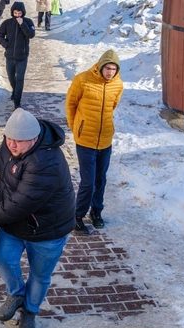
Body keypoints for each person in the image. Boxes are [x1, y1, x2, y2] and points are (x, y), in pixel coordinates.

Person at [0, 108, 75, 328]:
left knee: (39, 276)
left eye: (19, 141)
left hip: (47, 229)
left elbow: (21, 203)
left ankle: (30, 311)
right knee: (3, 259)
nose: (12, 145)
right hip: (16, 222)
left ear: (35, 138)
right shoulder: (11, 146)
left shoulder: (46, 163)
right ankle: (17, 293)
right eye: (9, 139)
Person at [65, 49, 124, 235]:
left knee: (101, 179)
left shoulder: (118, 85)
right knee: (88, 182)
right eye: (107, 68)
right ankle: (77, 216)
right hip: (86, 141)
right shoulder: (82, 80)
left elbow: (113, 106)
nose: (110, 72)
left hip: (105, 140)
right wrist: (77, 129)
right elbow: (70, 105)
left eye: (114, 69)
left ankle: (96, 211)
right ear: (100, 66)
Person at [0, 2, 35, 109]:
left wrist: (22, 24)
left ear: (23, 13)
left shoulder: (28, 22)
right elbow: (0, 35)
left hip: (22, 57)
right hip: (9, 56)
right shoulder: (7, 23)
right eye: (15, 12)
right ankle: (15, 90)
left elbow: (31, 35)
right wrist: (6, 44)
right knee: (11, 77)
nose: (17, 15)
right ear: (12, 12)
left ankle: (17, 101)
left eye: (19, 13)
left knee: (20, 79)